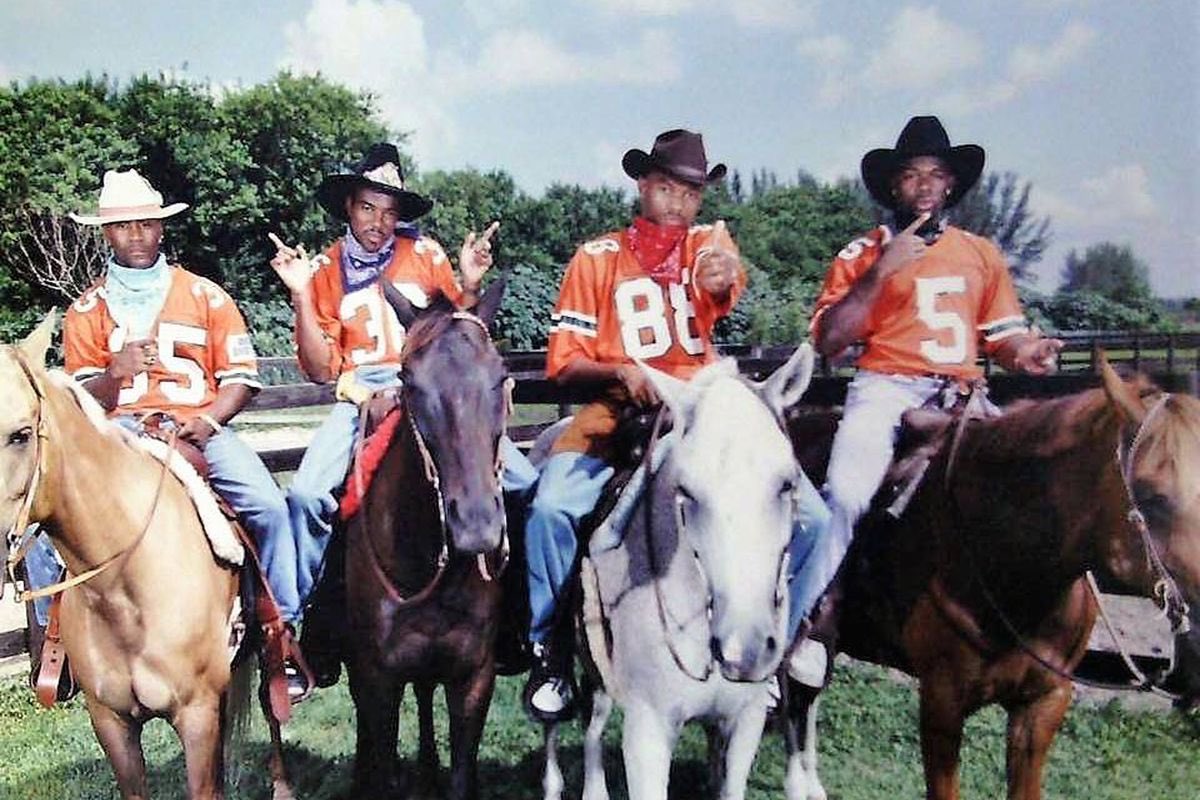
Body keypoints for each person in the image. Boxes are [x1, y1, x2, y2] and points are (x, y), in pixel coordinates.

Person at [522, 129, 833, 720]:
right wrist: (620, 368)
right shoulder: (597, 257)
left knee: (813, 516)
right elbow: (562, 360)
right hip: (620, 405)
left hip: (703, 404)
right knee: (551, 507)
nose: (678, 204)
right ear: (644, 185)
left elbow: (721, 280)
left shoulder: (705, 246)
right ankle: (550, 649)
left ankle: (782, 642)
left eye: (691, 195)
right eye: (667, 189)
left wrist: (721, 275)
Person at [27, 168, 306, 697]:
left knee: (269, 507)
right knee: (49, 523)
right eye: (123, 226)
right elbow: (83, 401)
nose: (136, 236)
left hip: (196, 425)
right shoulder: (85, 310)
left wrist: (209, 420)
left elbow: (241, 379)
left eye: (146, 225)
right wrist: (117, 372)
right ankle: (57, 647)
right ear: (105, 234)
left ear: (162, 229)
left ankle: (281, 633)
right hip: (118, 436)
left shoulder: (206, 295)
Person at [789, 116, 1064, 636]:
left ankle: (1032, 630)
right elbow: (829, 341)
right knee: (846, 495)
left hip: (962, 392)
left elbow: (1003, 337)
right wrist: (881, 271)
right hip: (886, 387)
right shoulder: (861, 252)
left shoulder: (980, 253)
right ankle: (799, 622)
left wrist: (1029, 351)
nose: (924, 186)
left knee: (1035, 485)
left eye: (935, 175)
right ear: (895, 185)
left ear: (950, 184)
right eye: (912, 175)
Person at [269, 143, 537, 642]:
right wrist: (301, 296)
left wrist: (471, 285)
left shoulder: (427, 255)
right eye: (369, 208)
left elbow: (462, 333)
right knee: (306, 495)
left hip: (434, 390)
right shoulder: (325, 271)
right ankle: (295, 624)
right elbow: (318, 366)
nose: (379, 221)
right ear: (349, 207)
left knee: (522, 483)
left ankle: (519, 619)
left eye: (390, 212)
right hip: (364, 394)